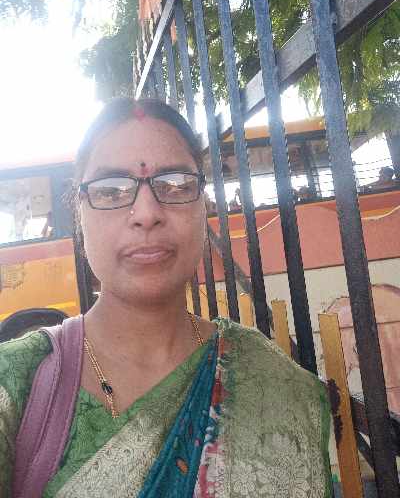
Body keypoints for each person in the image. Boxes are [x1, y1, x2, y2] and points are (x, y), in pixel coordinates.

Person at [0, 98, 332, 496]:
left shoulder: (272, 382)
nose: (146, 213)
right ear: (79, 212)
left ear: (203, 205)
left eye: (174, 184)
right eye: (111, 191)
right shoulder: (14, 384)